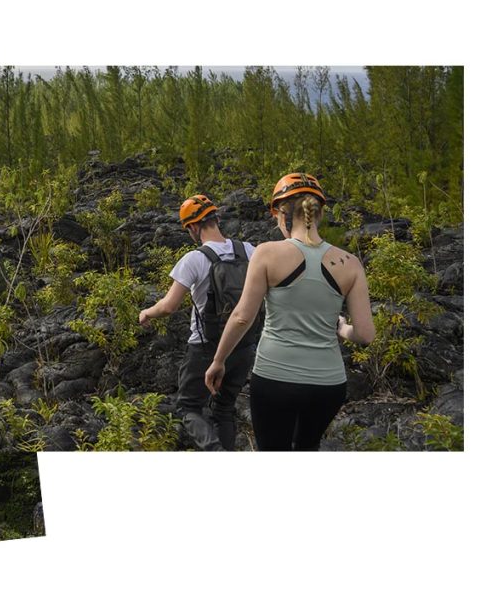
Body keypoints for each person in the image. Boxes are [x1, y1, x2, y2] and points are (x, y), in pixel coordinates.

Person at [204, 173, 375, 451]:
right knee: (307, 447)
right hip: (328, 384)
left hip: (275, 379)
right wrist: (342, 328)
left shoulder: (267, 253)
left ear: (283, 214)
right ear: (318, 213)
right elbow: (366, 334)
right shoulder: (350, 263)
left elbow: (242, 317)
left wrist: (219, 360)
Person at [138, 194, 258, 451]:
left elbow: (169, 306)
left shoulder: (194, 259)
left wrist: (147, 312)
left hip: (206, 348)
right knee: (224, 408)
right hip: (245, 343)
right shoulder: (249, 250)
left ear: (193, 227)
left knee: (189, 407)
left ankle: (215, 453)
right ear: (215, 218)